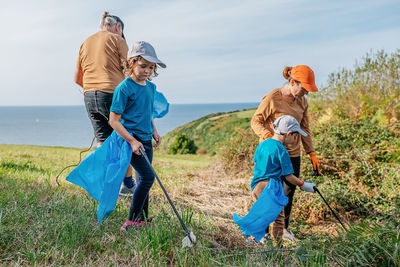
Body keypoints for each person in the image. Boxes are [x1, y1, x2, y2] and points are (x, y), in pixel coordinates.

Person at [250, 65, 321, 241]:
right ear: (292, 82)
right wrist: (269, 138)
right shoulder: (273, 98)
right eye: (304, 89)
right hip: (272, 154)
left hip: (293, 152)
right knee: (268, 192)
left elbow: (305, 128)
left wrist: (311, 153)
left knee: (288, 192)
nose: (306, 93)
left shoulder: (303, 101)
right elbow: (255, 121)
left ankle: (283, 230)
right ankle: (263, 232)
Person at [74, 12, 135, 196]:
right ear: (117, 27)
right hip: (111, 94)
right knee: (126, 138)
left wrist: (94, 88)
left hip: (89, 96)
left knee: (102, 141)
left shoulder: (85, 42)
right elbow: (130, 72)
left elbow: (77, 78)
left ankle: (101, 184)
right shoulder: (117, 39)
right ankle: (128, 185)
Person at [107, 41, 166, 231]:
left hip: (146, 140)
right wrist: (132, 141)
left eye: (151, 67)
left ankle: (143, 219)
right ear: (131, 62)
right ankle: (131, 221)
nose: (147, 71)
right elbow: (114, 121)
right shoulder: (123, 89)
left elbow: (147, 112)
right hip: (131, 142)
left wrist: (154, 130)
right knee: (149, 178)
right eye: (143, 66)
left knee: (143, 180)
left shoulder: (150, 88)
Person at [234, 115, 316, 246]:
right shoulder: (282, 150)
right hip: (271, 187)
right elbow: (289, 176)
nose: (295, 138)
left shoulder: (263, 144)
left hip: (256, 186)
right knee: (278, 218)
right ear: (288, 134)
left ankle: (254, 240)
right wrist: (303, 184)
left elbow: (255, 162)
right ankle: (278, 246)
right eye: (295, 135)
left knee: (262, 213)